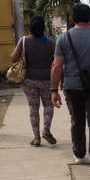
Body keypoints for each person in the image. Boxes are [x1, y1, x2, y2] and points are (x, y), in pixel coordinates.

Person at [50, 3, 90, 177]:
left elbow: (57, 66)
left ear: (73, 19)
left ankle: (79, 155)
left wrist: (54, 90)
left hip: (72, 88)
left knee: (76, 121)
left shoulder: (63, 38)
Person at [10, 15, 57, 147]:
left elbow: (13, 59)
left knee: (33, 107)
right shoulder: (51, 43)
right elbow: (56, 64)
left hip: (28, 80)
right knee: (48, 106)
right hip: (47, 80)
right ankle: (46, 130)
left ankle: (36, 138)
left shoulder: (24, 41)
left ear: (30, 28)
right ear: (44, 29)